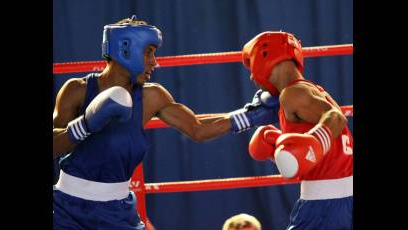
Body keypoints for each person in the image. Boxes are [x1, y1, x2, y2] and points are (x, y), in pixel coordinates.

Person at [52, 15, 280, 229]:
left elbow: (197, 129)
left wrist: (251, 115)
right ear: (126, 49)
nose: (155, 62)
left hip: (116, 211)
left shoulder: (152, 96)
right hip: (66, 208)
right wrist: (86, 124)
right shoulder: (77, 90)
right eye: (149, 52)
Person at [244, 31, 353, 229]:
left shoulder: (292, 94)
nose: (252, 76)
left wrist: (314, 143)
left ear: (265, 57)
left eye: (251, 65)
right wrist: (282, 144)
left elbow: (336, 118)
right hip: (343, 198)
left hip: (323, 205)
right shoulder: (313, 90)